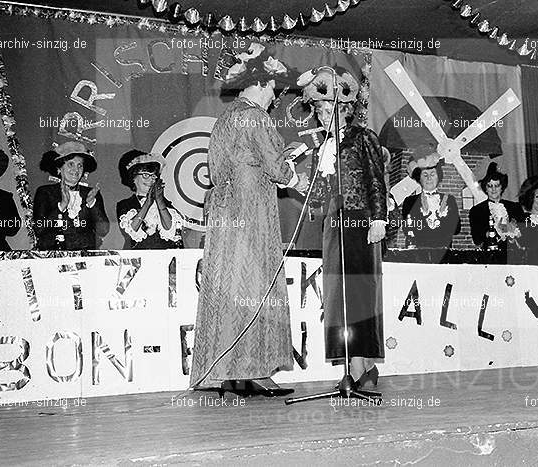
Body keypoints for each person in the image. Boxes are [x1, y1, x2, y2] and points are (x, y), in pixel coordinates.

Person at [189, 44, 308, 397]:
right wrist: (295, 177)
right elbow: (275, 168)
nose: (276, 98)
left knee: (230, 286)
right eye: (274, 89)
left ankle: (230, 372)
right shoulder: (255, 116)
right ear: (261, 83)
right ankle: (253, 369)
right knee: (256, 284)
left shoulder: (225, 119)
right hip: (252, 208)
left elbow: (220, 168)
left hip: (226, 213)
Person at [302, 66, 387, 388]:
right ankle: (359, 368)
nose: (322, 118)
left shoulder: (363, 137)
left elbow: (376, 180)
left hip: (360, 220)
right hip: (333, 223)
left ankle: (359, 368)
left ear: (344, 110)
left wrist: (379, 218)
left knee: (361, 292)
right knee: (339, 295)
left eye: (327, 111)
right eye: (319, 113)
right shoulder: (321, 148)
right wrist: (294, 176)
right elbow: (317, 193)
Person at [33, 142, 109, 250]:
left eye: (80, 165)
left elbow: (104, 231)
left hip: (86, 256)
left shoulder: (90, 193)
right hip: (54, 256)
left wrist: (91, 203)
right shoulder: (45, 192)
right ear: (60, 168)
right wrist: (61, 206)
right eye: (70, 164)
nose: (76, 170)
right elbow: (39, 229)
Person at [401, 146, 461, 262]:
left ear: (438, 176)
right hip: (418, 255)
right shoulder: (410, 201)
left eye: (432, 174)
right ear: (419, 179)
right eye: (425, 175)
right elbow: (407, 229)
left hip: (444, 255)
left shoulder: (449, 200)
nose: (429, 178)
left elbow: (456, 229)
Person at [116, 150, 183, 249]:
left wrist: (159, 200)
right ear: (133, 178)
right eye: (146, 175)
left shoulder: (166, 204)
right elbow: (132, 231)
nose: (151, 180)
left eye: (153, 176)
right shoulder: (125, 205)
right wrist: (148, 203)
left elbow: (171, 231)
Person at [468, 162, 524, 251]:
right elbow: (477, 239)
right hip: (490, 255)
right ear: (485, 188)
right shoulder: (477, 210)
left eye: (497, 185)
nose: (493, 189)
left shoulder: (515, 207)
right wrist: (493, 231)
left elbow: (523, 233)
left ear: (502, 187)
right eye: (490, 186)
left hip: (514, 254)